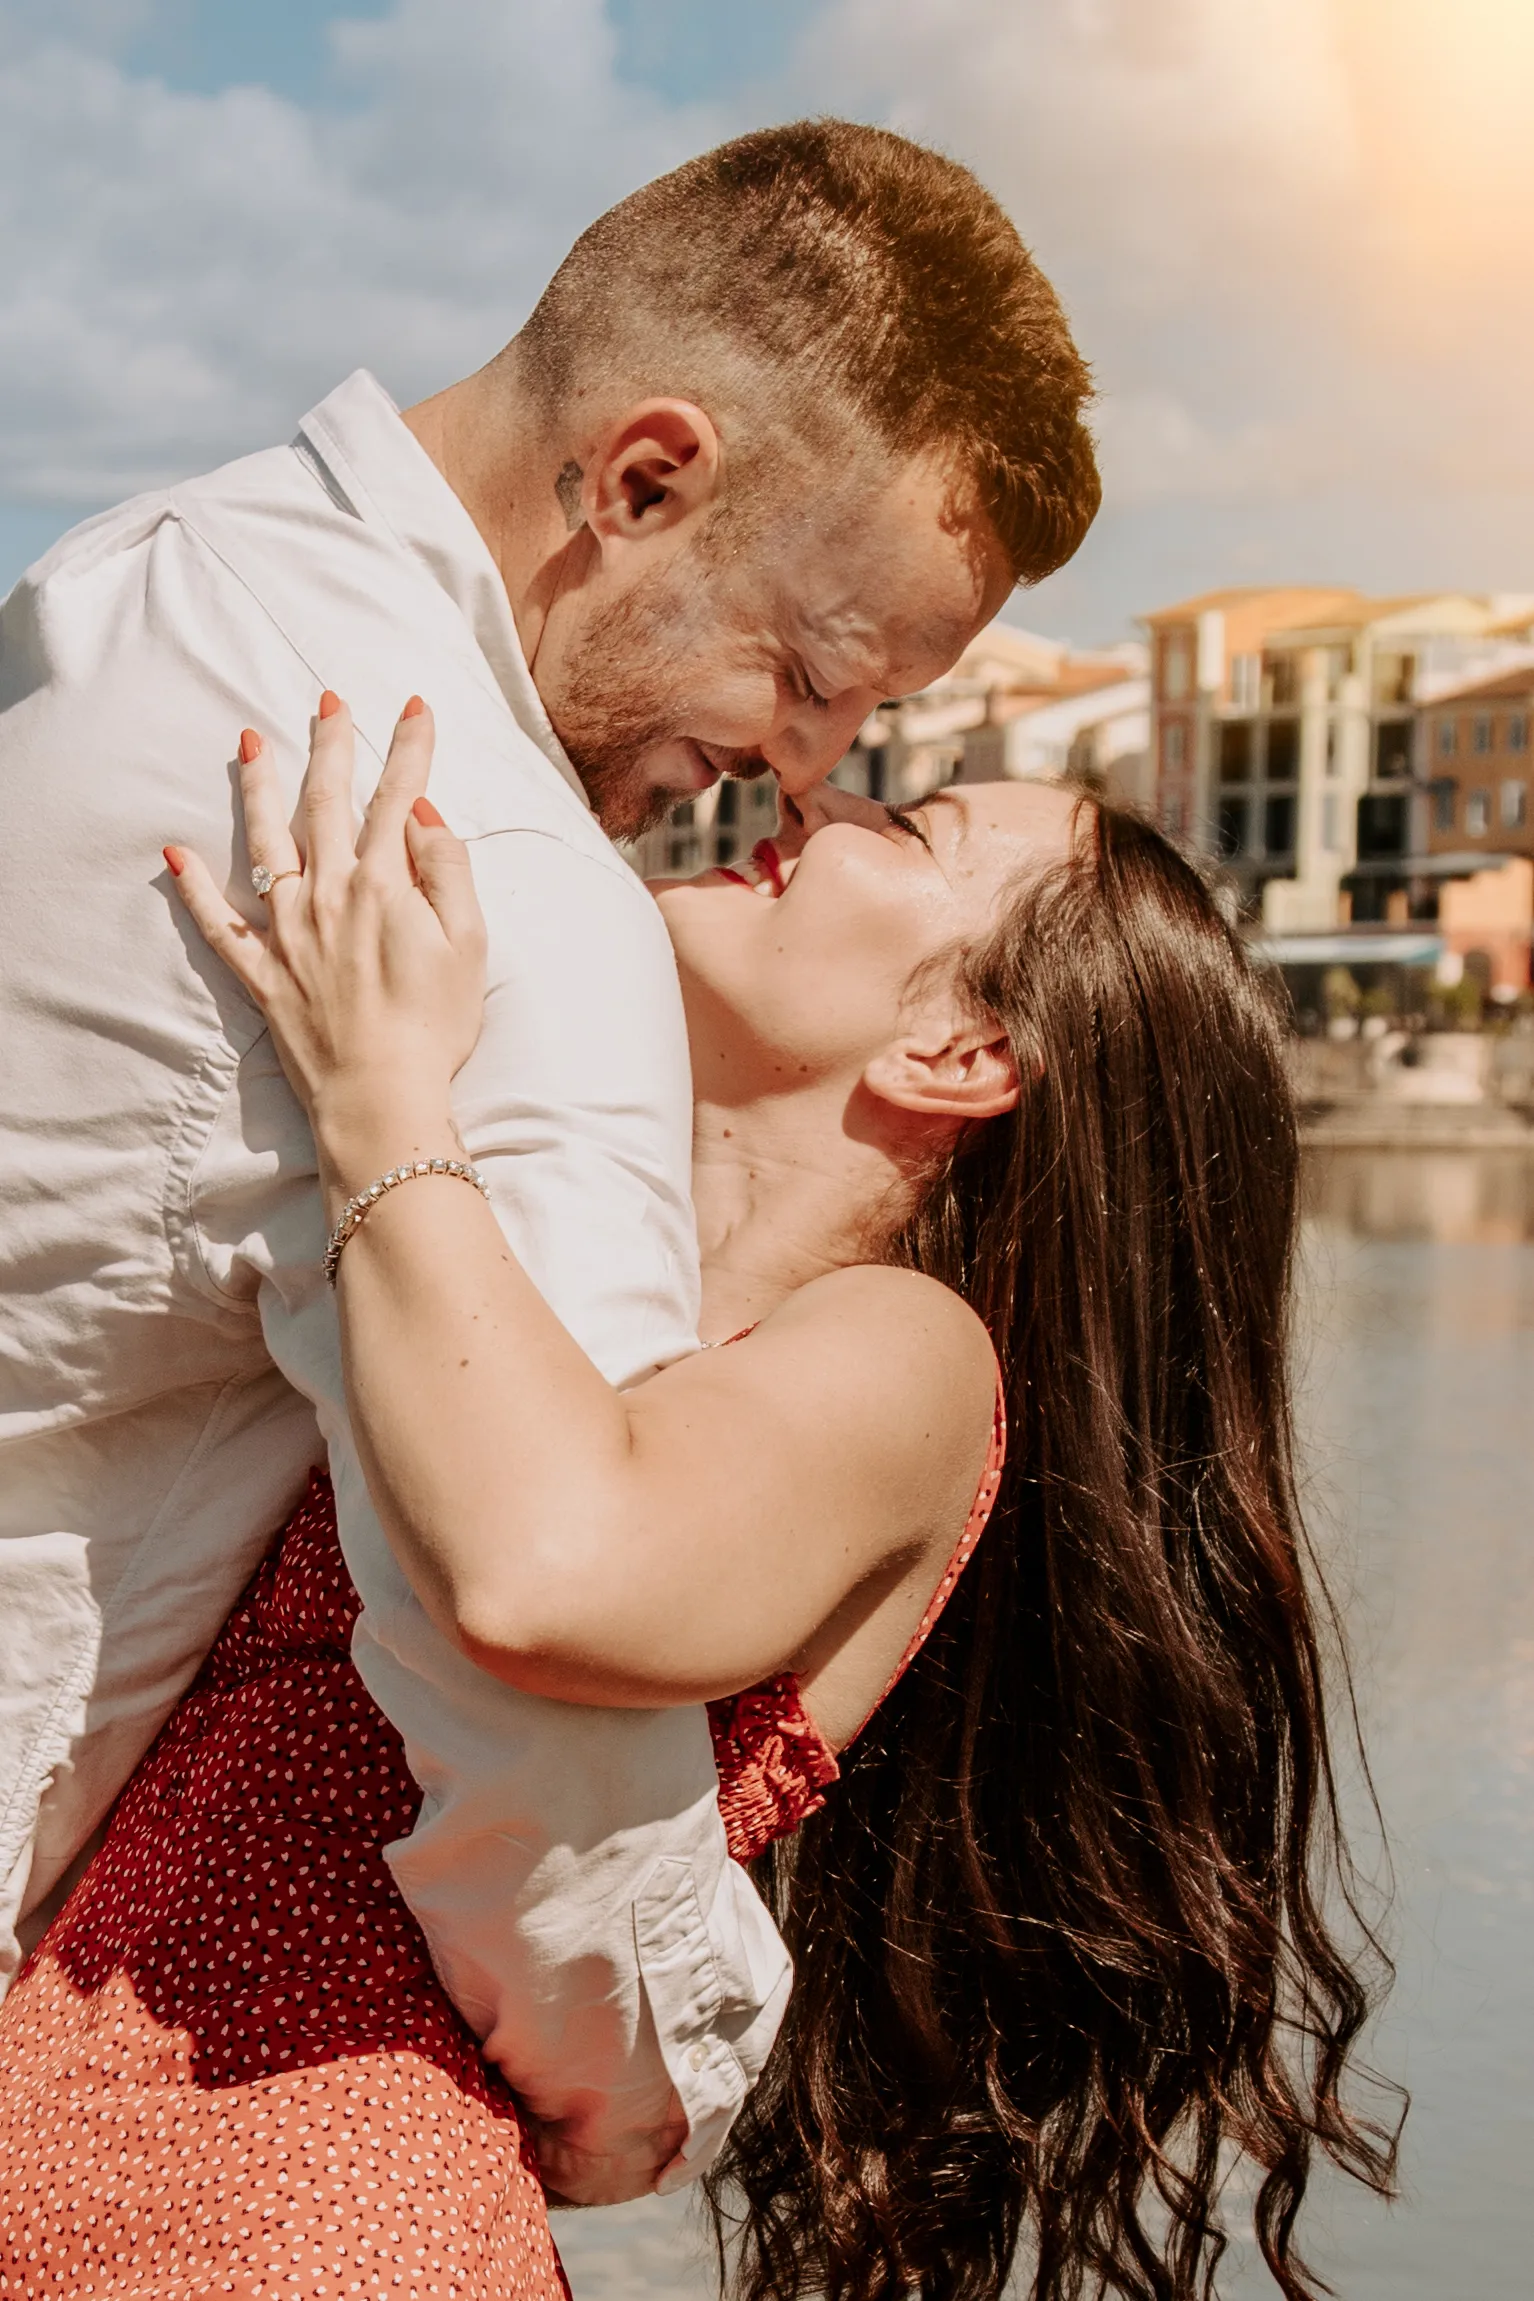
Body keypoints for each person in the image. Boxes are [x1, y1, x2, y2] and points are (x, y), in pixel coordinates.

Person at [0, 120, 1100, 2199]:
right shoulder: (489, 869)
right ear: (645, 477)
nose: (802, 770)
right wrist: (647, 2074)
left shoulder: (141, 572)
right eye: (808, 673)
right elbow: (542, 1711)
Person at [0, 707, 1395, 2301]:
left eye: (917, 825)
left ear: (959, 1053)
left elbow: (546, 1573)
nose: (831, 799)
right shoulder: (518, 1254)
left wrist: (378, 1098)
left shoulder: (908, 1357)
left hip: (315, 2231)